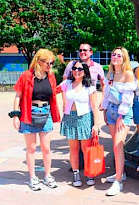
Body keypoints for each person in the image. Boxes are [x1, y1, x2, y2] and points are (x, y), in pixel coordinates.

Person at [11, 49, 60, 191]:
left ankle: (48, 175)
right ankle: (32, 177)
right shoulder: (26, 76)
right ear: (39, 61)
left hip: (46, 113)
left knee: (46, 148)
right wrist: (15, 115)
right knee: (31, 148)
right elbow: (18, 96)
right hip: (29, 112)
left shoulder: (50, 76)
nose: (50, 65)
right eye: (48, 63)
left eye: (52, 63)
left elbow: (54, 93)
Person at [62, 43, 105, 171]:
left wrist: (103, 99)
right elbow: (63, 85)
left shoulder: (97, 67)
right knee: (75, 146)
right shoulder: (71, 65)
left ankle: (88, 169)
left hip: (87, 107)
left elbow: (104, 84)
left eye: (85, 50)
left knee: (86, 145)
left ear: (91, 52)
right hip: (73, 110)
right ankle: (77, 168)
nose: (82, 52)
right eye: (80, 50)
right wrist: (65, 105)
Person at [58, 61, 100, 187]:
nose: (77, 71)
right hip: (70, 118)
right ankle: (76, 173)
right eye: (74, 68)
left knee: (85, 149)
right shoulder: (67, 84)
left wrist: (96, 125)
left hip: (84, 118)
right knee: (74, 149)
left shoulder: (90, 87)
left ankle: (89, 173)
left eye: (80, 69)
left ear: (85, 72)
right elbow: (52, 90)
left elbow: (94, 107)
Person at [102, 47, 137, 196]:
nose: (115, 57)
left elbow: (128, 98)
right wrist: (104, 110)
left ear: (124, 58)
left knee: (118, 145)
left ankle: (118, 182)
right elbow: (106, 94)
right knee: (116, 146)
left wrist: (121, 116)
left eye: (119, 55)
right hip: (111, 110)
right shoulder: (110, 73)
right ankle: (120, 174)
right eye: (114, 54)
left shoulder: (128, 74)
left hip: (123, 113)